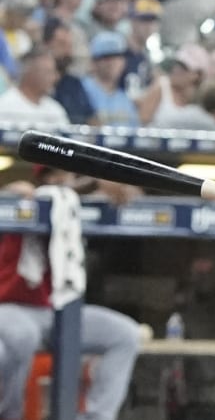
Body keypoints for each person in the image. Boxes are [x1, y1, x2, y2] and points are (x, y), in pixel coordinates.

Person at [0, 165, 141, 420]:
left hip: (58, 309)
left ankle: (95, 417)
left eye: (63, 174)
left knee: (125, 334)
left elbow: (128, 199)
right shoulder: (26, 202)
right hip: (10, 308)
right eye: (50, 175)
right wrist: (10, 193)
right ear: (40, 178)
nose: (58, 181)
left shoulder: (74, 209)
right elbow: (15, 196)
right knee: (22, 336)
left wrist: (116, 188)